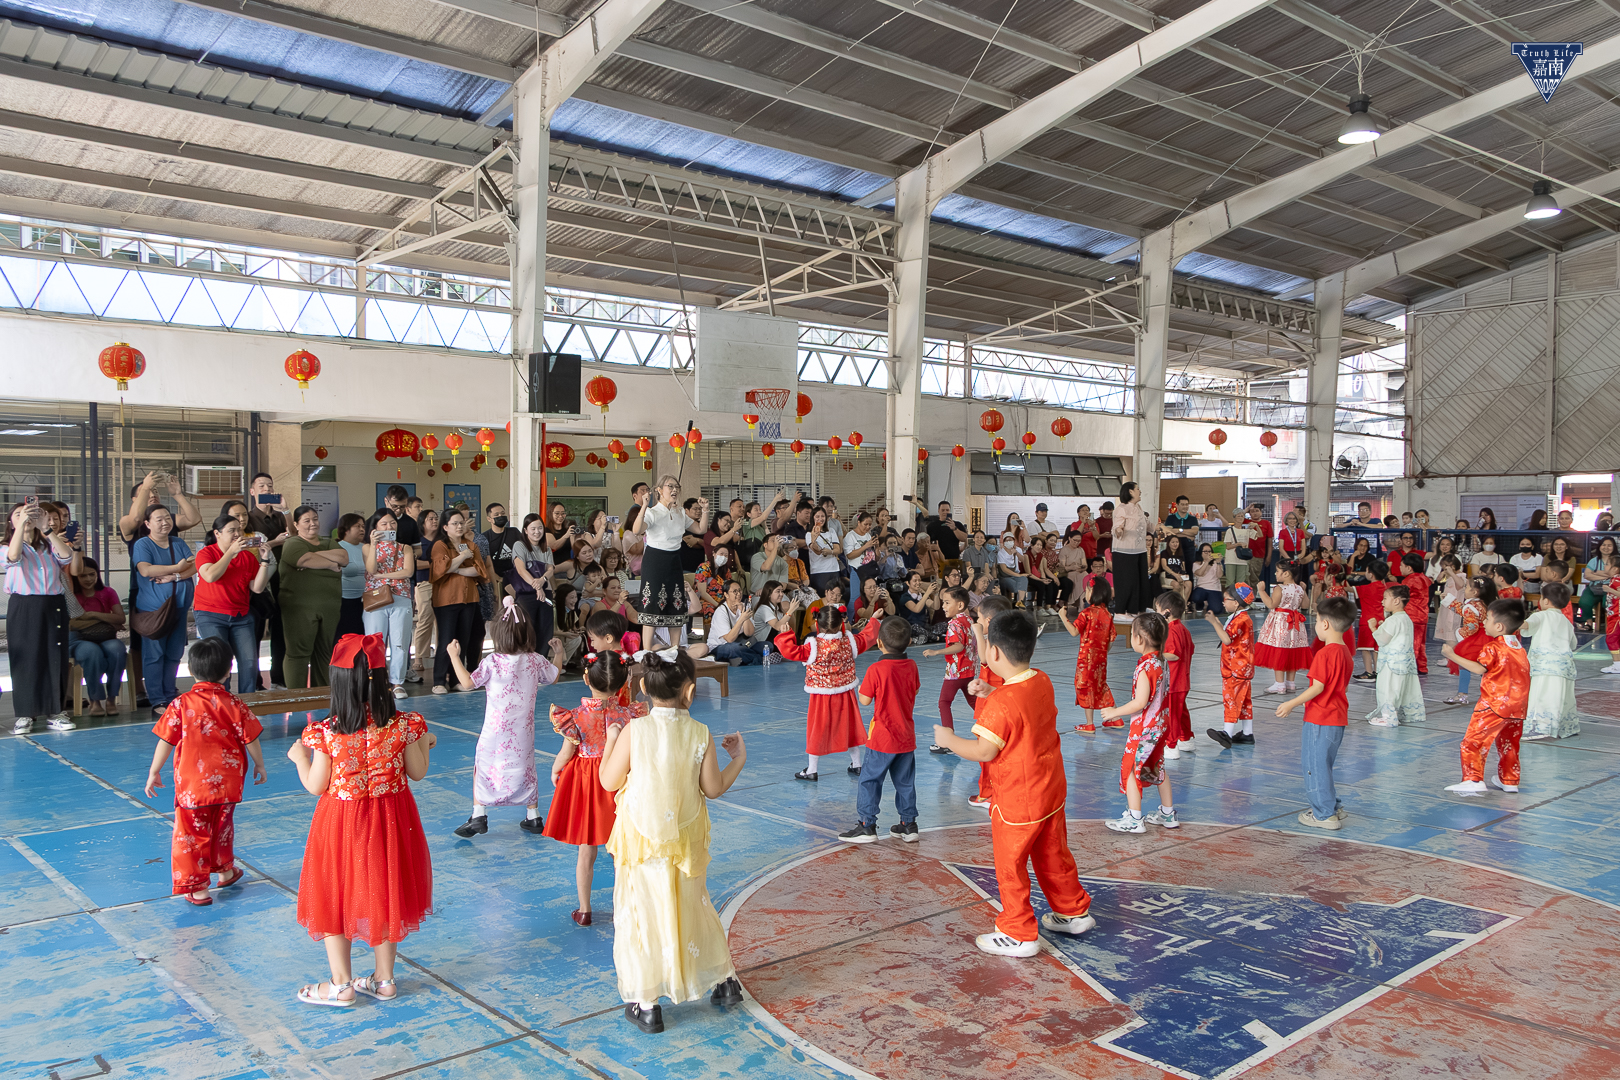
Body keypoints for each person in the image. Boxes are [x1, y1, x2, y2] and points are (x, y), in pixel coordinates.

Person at [598, 649, 747, 1033]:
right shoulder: (700, 733)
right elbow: (712, 789)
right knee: (694, 907)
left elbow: (608, 781)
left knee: (642, 915)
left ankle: (647, 1004)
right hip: (685, 841)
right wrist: (739, 759)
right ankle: (724, 981)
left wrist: (611, 740)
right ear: (691, 691)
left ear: (644, 686)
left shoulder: (635, 731)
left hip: (642, 842)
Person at [931, 609, 1094, 956]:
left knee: (1010, 864)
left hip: (1019, 799)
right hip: (1050, 789)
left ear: (994, 653)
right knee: (1053, 853)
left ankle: (1018, 931)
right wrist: (992, 690)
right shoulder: (1041, 680)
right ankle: (1072, 910)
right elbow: (1023, 712)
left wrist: (948, 739)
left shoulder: (1002, 703)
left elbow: (984, 751)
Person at [285, 633, 435, 1007]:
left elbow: (316, 786)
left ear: (338, 682)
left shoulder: (326, 732)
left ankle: (340, 984)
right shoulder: (404, 725)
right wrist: (423, 744)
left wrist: (299, 758)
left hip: (342, 823)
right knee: (387, 892)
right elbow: (416, 771)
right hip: (392, 819)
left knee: (334, 895)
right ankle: (384, 980)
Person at [143, 637, 267, 905]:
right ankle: (225, 871)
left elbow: (166, 740)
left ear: (192, 670)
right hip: (229, 783)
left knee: (191, 835)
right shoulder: (234, 703)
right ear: (227, 670)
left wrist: (154, 771)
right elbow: (251, 738)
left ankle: (197, 887)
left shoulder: (180, 704)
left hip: (193, 786)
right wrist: (259, 764)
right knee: (222, 828)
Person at [446, 597, 562, 836]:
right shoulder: (535, 660)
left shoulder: (492, 662)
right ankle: (533, 815)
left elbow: (468, 683)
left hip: (495, 732)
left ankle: (479, 813)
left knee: (484, 766)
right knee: (526, 766)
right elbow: (554, 676)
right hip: (523, 731)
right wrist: (558, 653)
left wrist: (454, 656)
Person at [545, 651, 647, 924]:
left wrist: (556, 769)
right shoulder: (629, 715)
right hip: (619, 781)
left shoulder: (576, 717)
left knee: (586, 849)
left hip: (587, 785)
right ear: (625, 681)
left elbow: (567, 752)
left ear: (586, 678)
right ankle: (622, 908)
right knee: (620, 851)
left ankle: (584, 909)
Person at [774, 602, 883, 781]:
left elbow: (790, 651)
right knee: (850, 727)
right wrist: (873, 620)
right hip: (845, 694)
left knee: (817, 730)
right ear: (841, 623)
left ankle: (812, 769)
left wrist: (786, 634)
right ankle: (857, 764)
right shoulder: (849, 641)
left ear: (818, 624)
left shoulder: (813, 646)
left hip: (821, 696)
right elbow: (867, 637)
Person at [839, 617, 923, 843]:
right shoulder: (912, 666)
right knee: (905, 782)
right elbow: (914, 691)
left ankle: (867, 825)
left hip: (883, 737)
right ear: (909, 642)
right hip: (906, 736)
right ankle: (909, 824)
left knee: (870, 780)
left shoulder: (877, 669)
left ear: (879, 643)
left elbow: (865, 700)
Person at [1275, 596, 1355, 830]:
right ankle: (1332, 807)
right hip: (1337, 719)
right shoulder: (1346, 653)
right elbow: (1344, 687)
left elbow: (1317, 687)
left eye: (1317, 621)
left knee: (1314, 766)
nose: (1316, 626)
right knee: (1324, 765)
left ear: (1325, 624)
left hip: (1320, 719)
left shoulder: (1325, 654)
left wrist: (1291, 703)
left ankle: (1323, 814)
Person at [1442, 600, 1531, 796]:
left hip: (1493, 704)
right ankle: (1509, 780)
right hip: (1518, 707)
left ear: (1499, 626)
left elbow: (1478, 668)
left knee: (1473, 742)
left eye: (1488, 619)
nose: (1484, 622)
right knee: (1509, 744)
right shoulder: (1519, 648)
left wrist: (1452, 654)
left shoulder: (1493, 647)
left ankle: (1473, 779)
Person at [1098, 611, 1175, 834]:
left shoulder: (1145, 668)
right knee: (1158, 766)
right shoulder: (1161, 662)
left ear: (1139, 639)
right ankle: (1168, 814)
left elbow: (1140, 702)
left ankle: (1134, 818)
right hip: (1160, 724)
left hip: (1144, 728)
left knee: (1130, 768)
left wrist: (1114, 712)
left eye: (1132, 634)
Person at [6, 501, 79, 732]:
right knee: (25, 660)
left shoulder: (49, 545)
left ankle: (56, 711)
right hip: (24, 606)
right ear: (11, 522)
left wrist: (47, 529)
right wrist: (22, 528)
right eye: (18, 514)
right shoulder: (5, 546)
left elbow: (67, 556)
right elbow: (14, 556)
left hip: (53, 604)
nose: (25, 517)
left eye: (28, 514)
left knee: (54, 656)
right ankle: (25, 715)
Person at [194, 511, 273, 694]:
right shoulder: (206, 553)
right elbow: (210, 575)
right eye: (232, 530)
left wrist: (264, 560)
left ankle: (246, 704)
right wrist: (230, 552)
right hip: (210, 614)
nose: (237, 534)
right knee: (219, 661)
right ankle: (222, 701)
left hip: (240, 616)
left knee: (250, 661)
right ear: (217, 534)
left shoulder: (247, 557)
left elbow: (257, 588)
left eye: (239, 530)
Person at [132, 504, 197, 713]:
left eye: (167, 518)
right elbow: (146, 570)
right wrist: (177, 568)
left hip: (179, 608)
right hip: (154, 612)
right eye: (158, 519)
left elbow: (194, 565)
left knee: (174, 654)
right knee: (154, 655)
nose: (164, 522)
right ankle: (157, 699)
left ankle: (170, 695)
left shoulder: (177, 542)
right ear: (148, 524)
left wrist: (176, 576)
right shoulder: (143, 544)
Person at [279, 506, 347, 690]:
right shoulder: (293, 543)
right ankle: (296, 699)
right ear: (296, 524)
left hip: (329, 608)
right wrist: (331, 564)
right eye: (307, 520)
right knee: (298, 653)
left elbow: (344, 557)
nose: (312, 524)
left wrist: (318, 557)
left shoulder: (329, 542)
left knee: (324, 652)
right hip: (299, 608)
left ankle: (321, 698)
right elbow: (303, 560)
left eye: (315, 519)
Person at [630, 476, 694, 653]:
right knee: (651, 603)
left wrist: (705, 511)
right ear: (659, 490)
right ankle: (647, 651)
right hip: (655, 560)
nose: (674, 490)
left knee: (676, 602)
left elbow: (700, 529)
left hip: (674, 559)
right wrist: (644, 505)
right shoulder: (652, 511)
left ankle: (674, 649)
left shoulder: (680, 512)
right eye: (670, 486)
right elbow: (636, 530)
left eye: (677, 487)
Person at [430, 509, 489, 694]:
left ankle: (457, 679)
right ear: (445, 527)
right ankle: (439, 680)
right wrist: (462, 558)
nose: (459, 526)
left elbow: (479, 571)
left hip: (469, 598)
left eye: (461, 522)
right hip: (447, 600)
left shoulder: (471, 544)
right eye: (455, 523)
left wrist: (456, 569)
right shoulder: (440, 545)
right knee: (446, 639)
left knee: (463, 640)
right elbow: (441, 569)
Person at [362, 509, 417, 697]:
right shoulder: (367, 548)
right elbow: (371, 568)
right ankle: (376, 680)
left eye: (392, 523)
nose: (389, 527)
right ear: (375, 527)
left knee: (400, 642)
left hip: (400, 598)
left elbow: (408, 572)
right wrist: (374, 544)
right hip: (375, 599)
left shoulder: (405, 548)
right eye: (384, 524)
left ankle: (397, 682)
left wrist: (382, 576)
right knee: (374, 641)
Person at [68, 558, 127, 716]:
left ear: (97, 574)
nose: (88, 579)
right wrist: (105, 618)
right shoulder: (71, 595)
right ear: (75, 577)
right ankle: (95, 700)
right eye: (83, 576)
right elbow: (71, 623)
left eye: (92, 574)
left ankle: (111, 699)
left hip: (105, 637)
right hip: (79, 640)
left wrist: (92, 615)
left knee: (117, 650)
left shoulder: (108, 592)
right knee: (91, 652)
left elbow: (121, 618)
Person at [1521, 582, 1577, 740]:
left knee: (1542, 695)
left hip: (1544, 666)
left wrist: (1512, 621)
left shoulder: (1540, 615)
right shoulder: (1566, 621)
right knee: (1562, 696)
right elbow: (1573, 644)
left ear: (1545, 601)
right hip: (1564, 666)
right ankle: (1565, 726)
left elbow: (1527, 626)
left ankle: (1540, 727)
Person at [923, 586, 978, 749]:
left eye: (947, 602)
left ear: (960, 605)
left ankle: (947, 740)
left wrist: (936, 651)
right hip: (969, 670)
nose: (943, 606)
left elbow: (958, 646)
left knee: (944, 702)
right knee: (975, 702)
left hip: (955, 671)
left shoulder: (954, 623)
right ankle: (993, 728)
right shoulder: (968, 619)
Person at [1059, 578, 1115, 734]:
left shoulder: (1087, 613)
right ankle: (1114, 717)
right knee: (1100, 685)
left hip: (1086, 660)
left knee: (1085, 687)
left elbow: (1074, 631)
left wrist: (1063, 617)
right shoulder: (1107, 615)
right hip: (1101, 660)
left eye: (1088, 590)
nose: (1086, 593)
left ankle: (1089, 723)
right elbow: (1111, 638)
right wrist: (1102, 653)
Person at [1204, 584, 1256, 748]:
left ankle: (1227, 732)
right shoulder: (1240, 618)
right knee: (1245, 701)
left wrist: (1214, 623)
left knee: (1231, 700)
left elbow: (1226, 639)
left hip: (1235, 669)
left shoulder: (1240, 620)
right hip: (1243, 668)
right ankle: (1247, 733)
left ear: (1237, 602)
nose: (1223, 602)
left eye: (1226, 599)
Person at [1367, 585, 1423, 728]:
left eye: (1385, 598)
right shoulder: (1406, 618)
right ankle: (1404, 714)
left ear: (1397, 601)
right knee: (1401, 689)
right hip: (1404, 662)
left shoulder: (1392, 620)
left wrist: (1373, 628)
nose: (1382, 602)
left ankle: (1388, 717)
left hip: (1391, 663)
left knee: (1388, 689)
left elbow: (1382, 639)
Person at [1254, 564, 1310, 694]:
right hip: (1295, 622)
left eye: (1277, 571)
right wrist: (1304, 590)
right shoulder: (1299, 588)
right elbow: (1306, 605)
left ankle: (1279, 684)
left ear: (1286, 574)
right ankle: (1290, 683)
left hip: (1280, 621)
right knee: (1292, 650)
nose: (1275, 573)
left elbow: (1271, 604)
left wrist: (1261, 591)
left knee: (1279, 650)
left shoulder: (1279, 588)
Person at [708, 579, 771, 665]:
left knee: (767, 645)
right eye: (734, 591)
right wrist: (742, 618)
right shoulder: (721, 611)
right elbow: (729, 639)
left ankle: (745, 660)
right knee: (734, 648)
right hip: (721, 646)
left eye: (739, 590)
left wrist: (742, 612)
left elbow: (749, 633)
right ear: (726, 594)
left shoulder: (744, 605)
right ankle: (758, 660)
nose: (738, 594)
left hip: (741, 643)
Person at [409, 508, 440, 684]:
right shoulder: (418, 541)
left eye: (436, 518)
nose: (434, 521)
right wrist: (434, 564)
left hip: (442, 583)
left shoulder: (442, 540)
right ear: (422, 522)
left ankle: (442, 652)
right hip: (424, 583)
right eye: (430, 519)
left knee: (442, 620)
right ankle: (419, 658)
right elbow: (414, 564)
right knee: (425, 618)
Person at [1111, 483, 1151, 614]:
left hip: (1140, 550)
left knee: (1140, 582)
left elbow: (1147, 524)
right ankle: (1121, 611)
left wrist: (1163, 528)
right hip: (1124, 552)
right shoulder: (1121, 509)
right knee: (1126, 583)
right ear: (1131, 492)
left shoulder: (1138, 507)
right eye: (1137, 489)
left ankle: (1137, 609)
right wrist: (1119, 530)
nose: (1140, 491)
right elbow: (1117, 526)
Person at [332, 514, 368, 640]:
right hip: (344, 601)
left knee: (362, 637)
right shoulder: (337, 547)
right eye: (357, 526)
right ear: (346, 529)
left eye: (363, 526)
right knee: (345, 638)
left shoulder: (366, 548)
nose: (362, 529)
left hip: (366, 601)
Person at [1399, 553, 1433, 676]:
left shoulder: (1409, 580)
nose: (1400, 568)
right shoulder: (1424, 578)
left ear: (1409, 568)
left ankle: (1410, 666)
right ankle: (1422, 666)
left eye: (1401, 565)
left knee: (1411, 643)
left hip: (1411, 616)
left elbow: (1402, 595)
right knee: (1421, 643)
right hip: (1422, 615)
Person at [1164, 495, 1200, 569]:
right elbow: (1168, 532)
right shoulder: (1171, 518)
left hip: (1189, 548)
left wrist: (1178, 531)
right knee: (1175, 568)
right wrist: (1188, 535)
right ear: (1177, 505)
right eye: (1182, 504)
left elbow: (1195, 532)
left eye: (1186, 504)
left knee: (1189, 569)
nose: (1185, 506)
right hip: (1174, 548)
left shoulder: (1192, 518)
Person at [995, 532, 1029, 608]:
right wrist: (1018, 575)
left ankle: (1020, 602)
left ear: (1014, 541)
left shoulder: (1018, 549)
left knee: (1024, 579)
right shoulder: (1001, 553)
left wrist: (1016, 553)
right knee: (1020, 586)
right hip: (1005, 577)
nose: (1009, 542)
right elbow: (1004, 569)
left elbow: (1023, 560)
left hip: (1016, 575)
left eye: (1010, 540)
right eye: (1006, 540)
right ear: (1003, 542)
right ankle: (1019, 604)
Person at [1189, 542, 1224, 613]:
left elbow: (1219, 575)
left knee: (1217, 610)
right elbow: (1199, 573)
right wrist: (1206, 562)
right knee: (1196, 597)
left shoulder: (1215, 563)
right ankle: (1200, 604)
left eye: (1209, 551)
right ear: (1201, 553)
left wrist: (1219, 563)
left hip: (1215, 588)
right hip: (1202, 587)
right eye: (1205, 551)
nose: (1208, 553)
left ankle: (1210, 603)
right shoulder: (1196, 563)